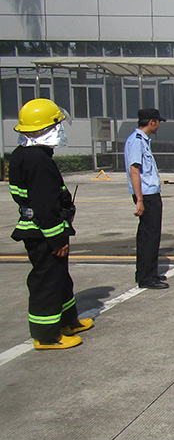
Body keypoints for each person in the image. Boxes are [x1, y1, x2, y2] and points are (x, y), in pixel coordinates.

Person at [8, 98, 93, 349]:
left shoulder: (25, 155)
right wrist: (56, 239)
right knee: (46, 281)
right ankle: (46, 335)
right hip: (43, 232)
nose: (61, 131)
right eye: (57, 125)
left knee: (60, 278)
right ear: (46, 128)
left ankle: (68, 320)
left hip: (42, 229)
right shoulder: (38, 160)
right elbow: (45, 204)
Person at [125, 108, 169, 289]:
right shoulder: (136, 141)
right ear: (151, 122)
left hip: (149, 193)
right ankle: (146, 277)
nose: (159, 125)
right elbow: (134, 170)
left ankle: (147, 272)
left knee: (148, 235)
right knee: (149, 236)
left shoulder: (142, 141)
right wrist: (140, 199)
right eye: (158, 121)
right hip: (147, 195)